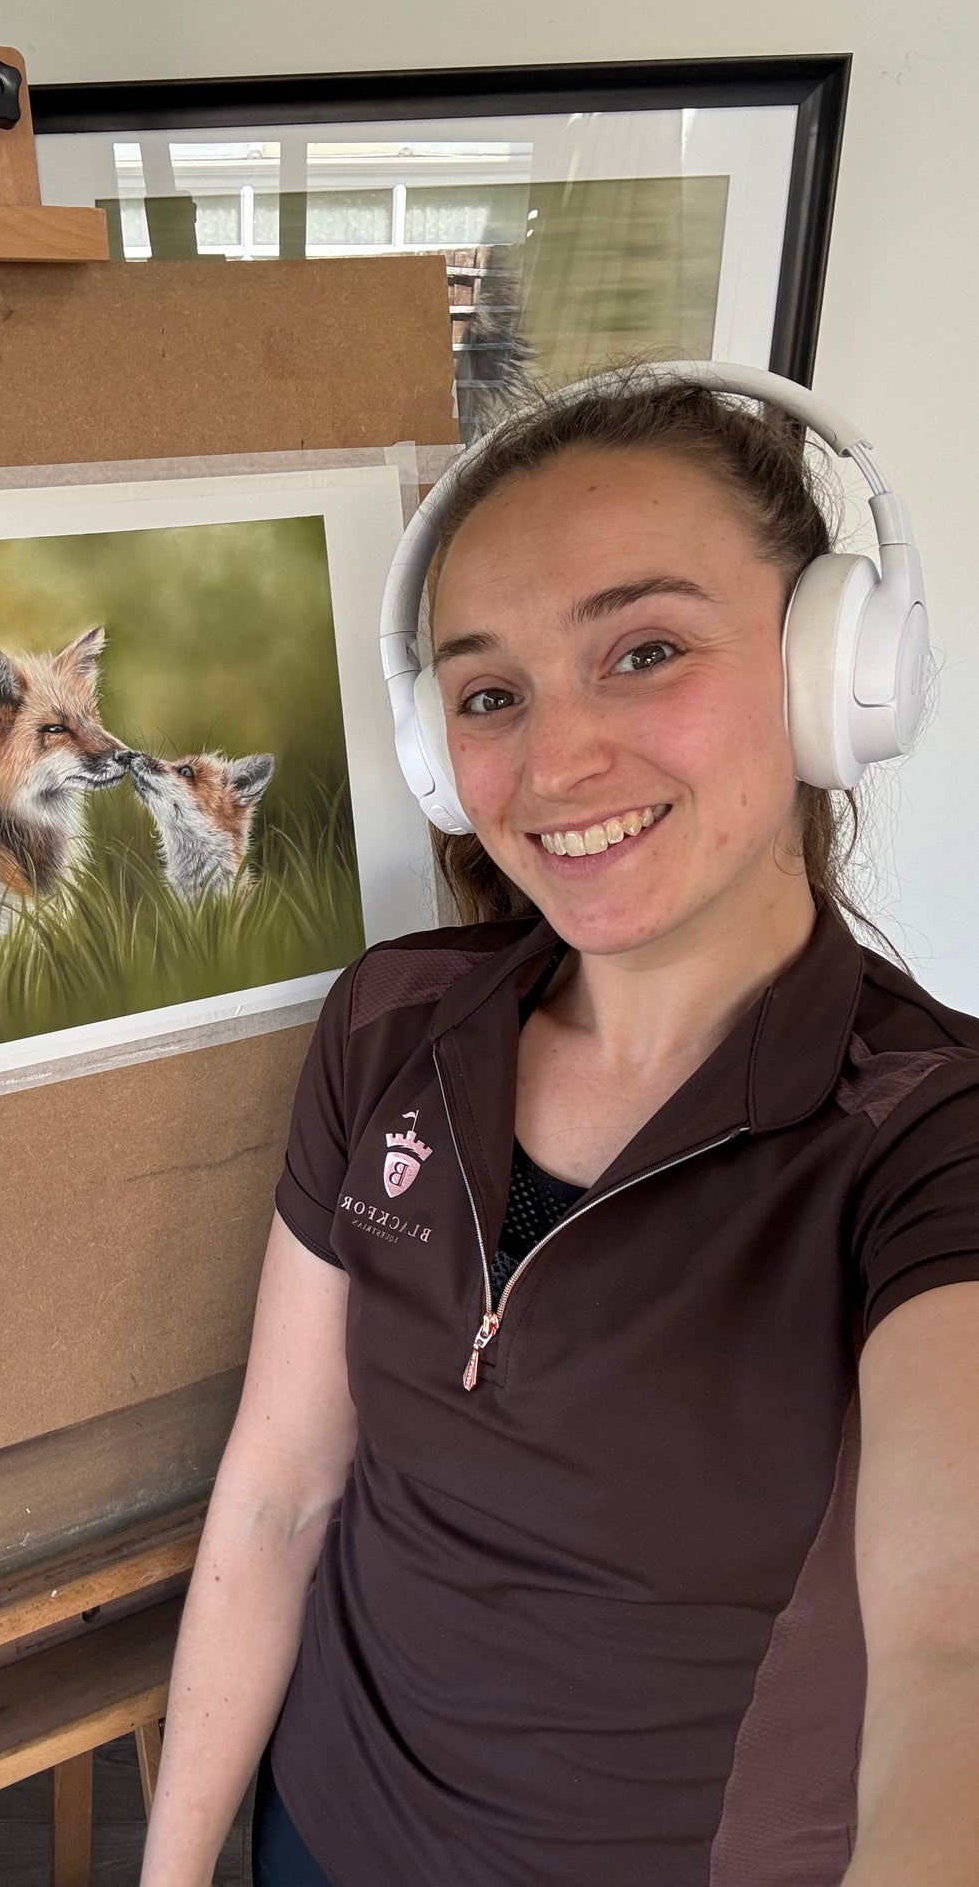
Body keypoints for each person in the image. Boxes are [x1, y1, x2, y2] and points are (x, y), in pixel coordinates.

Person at [136, 371, 979, 1887]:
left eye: (644, 651)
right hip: (321, 1830)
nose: (555, 762)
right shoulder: (393, 1025)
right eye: (488, 694)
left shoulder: (931, 1136)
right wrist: (175, 1871)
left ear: (830, 675)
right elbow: (279, 1493)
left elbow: (951, 1653)